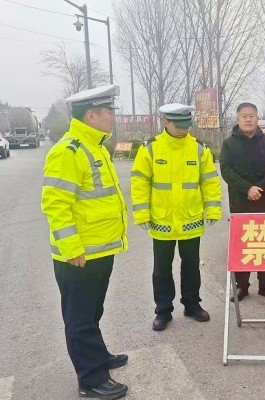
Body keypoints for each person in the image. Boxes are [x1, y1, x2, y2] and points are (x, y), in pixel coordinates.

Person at [41, 84, 129, 399]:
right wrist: (72, 248)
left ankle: (97, 355)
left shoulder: (96, 147)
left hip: (99, 249)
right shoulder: (69, 151)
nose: (112, 118)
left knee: (92, 310)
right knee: (79, 317)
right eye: (108, 112)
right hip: (80, 254)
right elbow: (55, 205)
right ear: (91, 116)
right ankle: (91, 379)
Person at [131, 103, 222, 331]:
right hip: (162, 220)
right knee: (162, 269)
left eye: (186, 125)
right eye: (179, 126)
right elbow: (140, 183)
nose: (184, 130)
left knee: (191, 265)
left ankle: (192, 305)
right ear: (166, 122)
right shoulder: (150, 149)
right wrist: (142, 213)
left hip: (190, 219)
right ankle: (163, 310)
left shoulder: (199, 149)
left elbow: (210, 181)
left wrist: (213, 209)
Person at [220, 102, 265, 302]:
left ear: (257, 118)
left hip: (263, 200)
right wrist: (247, 188)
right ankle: (242, 286)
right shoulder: (229, 143)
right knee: (243, 244)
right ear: (237, 119)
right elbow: (226, 170)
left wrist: (259, 188)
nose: (248, 119)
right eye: (244, 116)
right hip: (240, 200)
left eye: (252, 116)